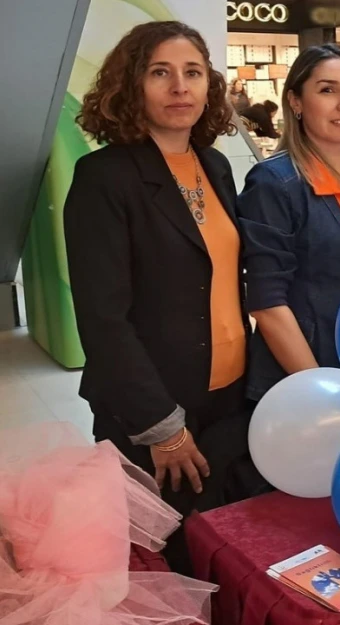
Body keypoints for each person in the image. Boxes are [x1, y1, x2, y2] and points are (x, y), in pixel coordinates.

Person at [63, 21, 261, 569]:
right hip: (154, 414)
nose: (180, 87)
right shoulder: (103, 177)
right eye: (161, 73)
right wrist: (162, 426)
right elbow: (103, 319)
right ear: (132, 86)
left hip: (225, 401)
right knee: (163, 568)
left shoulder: (215, 165)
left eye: (193, 73)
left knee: (224, 555)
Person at [238, 44, 340, 402]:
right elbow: (267, 302)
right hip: (308, 381)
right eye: (327, 90)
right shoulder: (274, 183)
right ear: (295, 102)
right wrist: (322, 392)